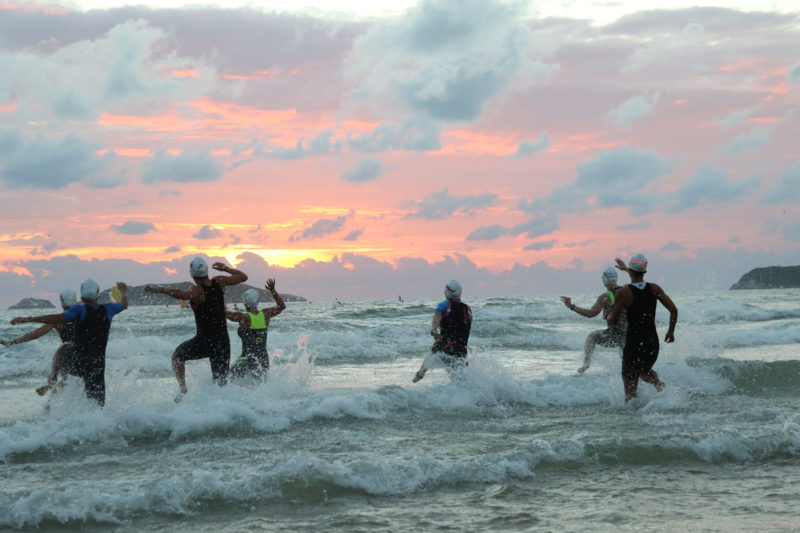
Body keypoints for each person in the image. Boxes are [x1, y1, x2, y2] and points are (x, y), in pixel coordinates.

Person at [10, 279, 128, 406]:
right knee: (97, 405)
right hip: (97, 366)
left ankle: (52, 380)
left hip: (77, 363)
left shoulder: (79, 310)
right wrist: (124, 293)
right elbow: (124, 304)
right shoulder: (109, 309)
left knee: (64, 347)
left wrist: (29, 319)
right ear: (98, 294)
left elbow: (56, 318)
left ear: (82, 296)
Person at [145, 257, 247, 399]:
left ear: (192, 274)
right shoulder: (220, 281)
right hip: (223, 341)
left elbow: (183, 295)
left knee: (177, 357)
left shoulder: (197, 290)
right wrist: (225, 268)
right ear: (206, 271)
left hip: (205, 340)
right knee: (220, 385)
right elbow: (243, 277)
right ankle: (224, 413)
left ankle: (183, 390)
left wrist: (161, 289)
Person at [607, 253, 678, 402]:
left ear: (630, 271)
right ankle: (659, 384)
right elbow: (673, 310)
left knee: (630, 392)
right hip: (652, 342)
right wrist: (671, 332)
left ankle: (632, 420)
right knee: (644, 371)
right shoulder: (654, 288)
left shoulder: (623, 292)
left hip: (633, 342)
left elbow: (613, 321)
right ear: (645, 271)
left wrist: (608, 314)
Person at [2, 289, 79, 396]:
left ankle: (52, 380)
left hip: (66, 356)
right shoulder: (84, 315)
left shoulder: (57, 320)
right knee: (72, 381)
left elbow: (37, 333)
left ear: (61, 301)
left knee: (64, 349)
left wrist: (12, 342)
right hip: (86, 354)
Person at [561, 267, 627, 373]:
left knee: (592, 337)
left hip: (614, 335)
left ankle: (586, 363)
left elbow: (591, 314)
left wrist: (572, 307)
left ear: (605, 280)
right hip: (630, 335)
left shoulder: (605, 296)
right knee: (628, 368)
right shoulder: (627, 290)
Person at [225, 279, 286, 382]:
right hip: (263, 359)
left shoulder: (243, 317)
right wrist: (272, 291)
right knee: (260, 385)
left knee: (229, 378)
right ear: (258, 301)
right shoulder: (266, 314)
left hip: (246, 358)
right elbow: (282, 306)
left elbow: (224, 313)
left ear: (244, 302)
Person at [413, 280, 473, 383]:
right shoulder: (467, 309)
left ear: (448, 292)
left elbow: (437, 317)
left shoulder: (444, 305)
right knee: (462, 378)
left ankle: (419, 375)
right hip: (461, 350)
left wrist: (434, 330)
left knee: (430, 356)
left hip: (445, 346)